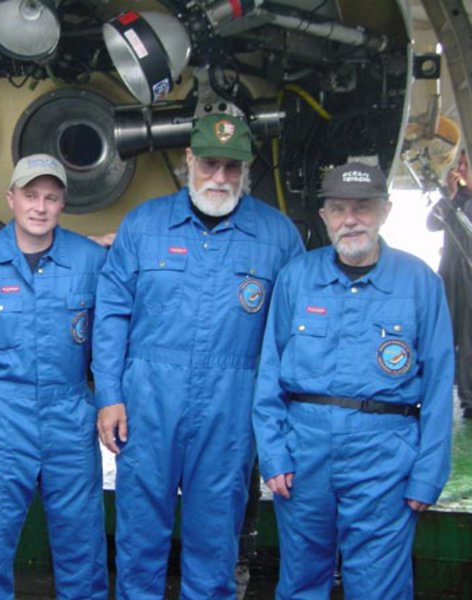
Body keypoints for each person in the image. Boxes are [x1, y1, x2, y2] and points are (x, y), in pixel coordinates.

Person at [94, 113, 304, 598]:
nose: (220, 178)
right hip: (148, 405)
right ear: (189, 159)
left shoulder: (278, 238)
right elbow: (111, 315)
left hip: (231, 410)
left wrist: (278, 419)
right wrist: (109, 395)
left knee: (215, 545)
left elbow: (293, 339)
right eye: (210, 163)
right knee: (139, 538)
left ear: (247, 169)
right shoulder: (144, 225)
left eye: (233, 168)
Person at [253, 162, 454, 598]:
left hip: (385, 457)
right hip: (305, 455)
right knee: (302, 581)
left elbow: (440, 385)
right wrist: (273, 454)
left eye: (362, 208)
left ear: (385, 210)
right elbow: (269, 374)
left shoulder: (420, 282)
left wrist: (427, 474)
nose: (350, 220)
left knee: (378, 585)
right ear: (324, 216)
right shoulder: (296, 279)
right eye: (339, 209)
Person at [0, 154, 108, 599]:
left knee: (82, 543)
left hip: (70, 416)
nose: (39, 207)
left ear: (63, 204)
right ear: (11, 199)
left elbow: (109, 339)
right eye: (30, 196)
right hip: (2, 416)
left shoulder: (88, 260)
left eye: (51, 197)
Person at [427, 149, 472, 418]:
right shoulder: (454, 199)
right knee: (442, 332)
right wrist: (450, 196)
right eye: (460, 164)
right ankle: (434, 392)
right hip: (449, 274)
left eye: (467, 165)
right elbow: (431, 223)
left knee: (469, 337)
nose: (461, 169)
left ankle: (469, 399)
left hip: (469, 276)